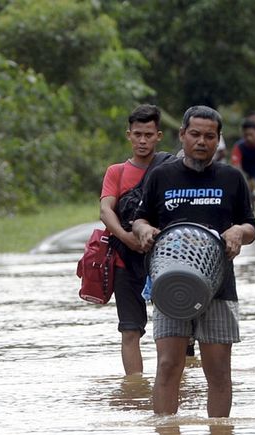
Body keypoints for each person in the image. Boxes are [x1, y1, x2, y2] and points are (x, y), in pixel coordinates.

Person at [132, 106, 255, 417]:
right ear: (182, 135)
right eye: (195, 134)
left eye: (209, 136)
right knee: (167, 365)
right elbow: (140, 219)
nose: (202, 141)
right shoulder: (161, 175)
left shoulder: (232, 178)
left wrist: (238, 231)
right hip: (170, 283)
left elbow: (251, 226)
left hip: (218, 287)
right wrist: (144, 229)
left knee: (218, 372)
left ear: (218, 140)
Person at [99, 103, 167, 375]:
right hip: (124, 260)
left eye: (148, 135)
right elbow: (106, 210)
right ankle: (135, 389)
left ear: (158, 136)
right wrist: (127, 238)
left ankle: (174, 386)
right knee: (130, 330)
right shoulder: (116, 172)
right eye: (137, 134)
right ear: (128, 135)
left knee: (173, 331)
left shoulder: (170, 168)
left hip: (163, 259)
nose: (142, 140)